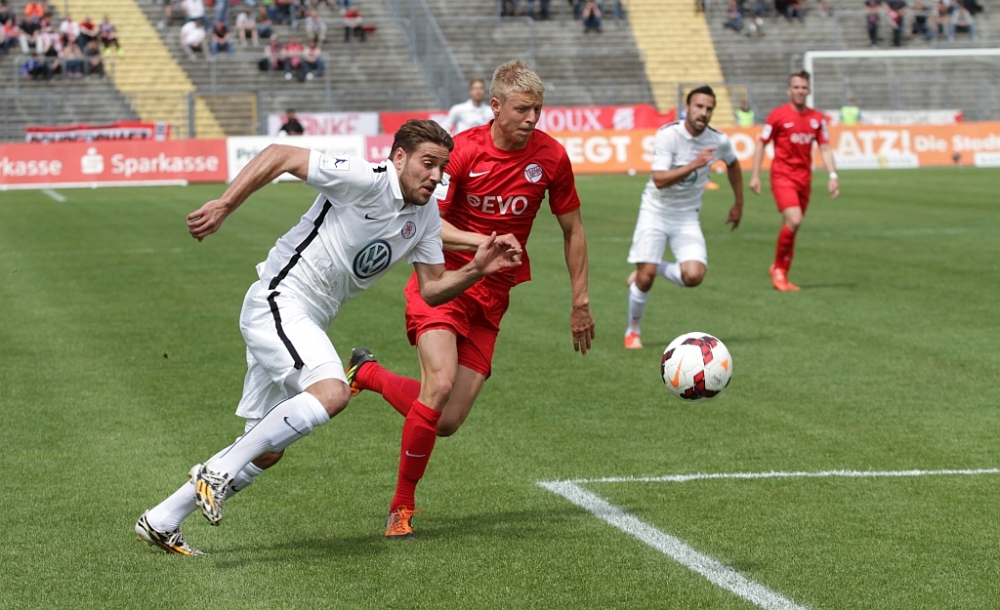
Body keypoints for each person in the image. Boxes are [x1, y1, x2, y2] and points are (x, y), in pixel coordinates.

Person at [134, 120, 522, 555]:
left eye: (441, 168)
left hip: (310, 317)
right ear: (399, 158)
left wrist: (475, 269)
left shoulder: (425, 215)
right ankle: (217, 470)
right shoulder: (366, 179)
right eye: (427, 163)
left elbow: (431, 289)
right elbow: (281, 154)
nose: (435, 176)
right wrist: (225, 204)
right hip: (280, 299)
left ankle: (162, 519)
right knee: (332, 392)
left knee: (266, 451)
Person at [348, 59, 595, 540]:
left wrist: (580, 300)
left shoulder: (552, 158)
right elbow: (427, 222)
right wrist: (484, 244)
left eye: (538, 109)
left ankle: (369, 373)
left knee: (447, 420)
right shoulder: (462, 151)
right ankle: (401, 508)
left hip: (492, 298)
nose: (531, 118)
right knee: (439, 385)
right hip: (443, 282)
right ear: (496, 106)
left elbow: (574, 229)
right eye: (522, 109)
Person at [622, 86, 743, 350]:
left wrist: (738, 203)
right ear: (687, 108)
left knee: (694, 276)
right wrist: (694, 165)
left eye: (709, 108)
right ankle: (632, 331)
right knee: (645, 278)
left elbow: (733, 163)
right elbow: (659, 179)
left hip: (687, 216)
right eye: (699, 106)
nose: (704, 113)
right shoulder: (669, 135)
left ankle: (654, 266)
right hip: (655, 210)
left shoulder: (718, 140)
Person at [749, 71, 839, 291]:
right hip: (782, 176)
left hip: (804, 179)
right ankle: (779, 270)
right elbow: (761, 143)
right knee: (795, 219)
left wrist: (832, 175)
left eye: (804, 88)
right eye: (796, 87)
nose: (800, 91)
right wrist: (755, 175)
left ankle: (780, 270)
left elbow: (825, 148)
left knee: (790, 227)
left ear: (809, 90)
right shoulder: (777, 115)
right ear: (789, 90)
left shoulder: (817, 119)